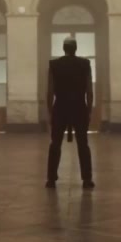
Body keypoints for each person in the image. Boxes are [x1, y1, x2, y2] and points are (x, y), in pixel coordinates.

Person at [46, 36, 95, 189]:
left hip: (60, 107)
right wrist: (89, 111)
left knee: (55, 144)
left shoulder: (54, 65)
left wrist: (50, 112)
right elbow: (89, 91)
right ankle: (87, 179)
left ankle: (51, 179)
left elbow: (50, 91)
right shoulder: (85, 64)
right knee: (83, 145)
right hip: (79, 107)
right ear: (75, 49)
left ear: (63, 48)